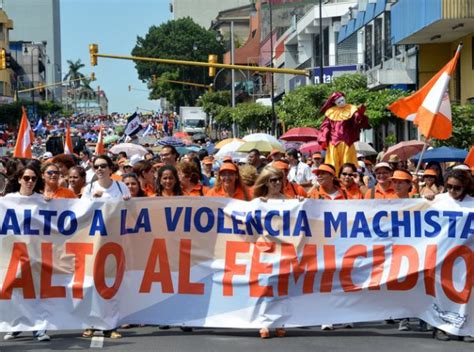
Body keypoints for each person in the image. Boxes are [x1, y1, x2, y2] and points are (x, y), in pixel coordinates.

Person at [3, 164, 51, 342]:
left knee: (36, 292)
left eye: (33, 178)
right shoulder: (8, 199)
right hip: (13, 253)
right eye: (26, 178)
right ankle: (17, 325)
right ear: (19, 180)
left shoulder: (42, 200)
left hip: (36, 253)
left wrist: (50, 202)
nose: (30, 181)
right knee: (14, 291)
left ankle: (39, 328)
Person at [251, 166, 288, 339]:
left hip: (284, 249)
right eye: (273, 180)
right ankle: (265, 323)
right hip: (265, 248)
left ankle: (280, 323)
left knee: (281, 286)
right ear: (266, 182)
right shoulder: (259, 202)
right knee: (265, 286)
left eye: (280, 179)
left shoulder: (288, 201)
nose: (278, 183)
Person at [318, 91, 370, 175]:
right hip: (333, 141)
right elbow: (326, 125)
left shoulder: (351, 109)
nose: (342, 103)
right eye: (339, 102)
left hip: (347, 141)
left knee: (347, 162)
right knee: (333, 162)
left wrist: (360, 112)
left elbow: (357, 120)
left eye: (342, 100)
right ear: (335, 103)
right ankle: (334, 179)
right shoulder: (331, 112)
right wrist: (324, 134)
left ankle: (348, 178)